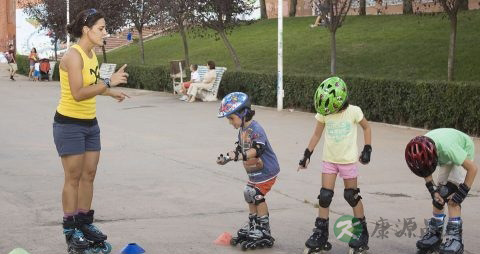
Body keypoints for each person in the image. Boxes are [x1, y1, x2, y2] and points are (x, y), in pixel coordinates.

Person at [53, 8, 129, 253]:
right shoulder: (73, 56)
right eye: (101, 28)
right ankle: (70, 229)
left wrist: (110, 92)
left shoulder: (92, 55)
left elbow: (92, 85)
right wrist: (108, 83)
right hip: (69, 124)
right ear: (86, 30)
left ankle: (84, 223)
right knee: (73, 178)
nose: (105, 33)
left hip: (90, 123)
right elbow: (78, 93)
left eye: (104, 28)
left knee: (89, 175)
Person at [298, 77, 372, 253]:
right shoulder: (325, 112)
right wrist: (307, 154)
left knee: (352, 196)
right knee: (324, 196)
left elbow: (367, 128)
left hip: (348, 162)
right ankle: (321, 234)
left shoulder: (354, 111)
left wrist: (367, 148)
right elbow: (316, 135)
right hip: (329, 160)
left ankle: (361, 233)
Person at [216, 92, 280, 250]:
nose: (230, 122)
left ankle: (264, 229)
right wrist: (227, 158)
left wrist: (239, 156)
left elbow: (257, 149)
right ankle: (253, 225)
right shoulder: (242, 130)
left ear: (243, 113)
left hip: (267, 170)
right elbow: (240, 148)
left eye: (232, 118)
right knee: (248, 193)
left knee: (256, 195)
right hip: (254, 172)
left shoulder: (256, 128)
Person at [405, 128, 477, 254]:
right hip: (445, 155)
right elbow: (425, 169)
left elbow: (473, 169)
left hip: (463, 148)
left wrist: (462, 192)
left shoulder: (449, 149)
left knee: (451, 195)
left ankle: (456, 239)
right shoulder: (421, 147)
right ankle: (435, 234)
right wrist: (433, 191)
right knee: (439, 195)